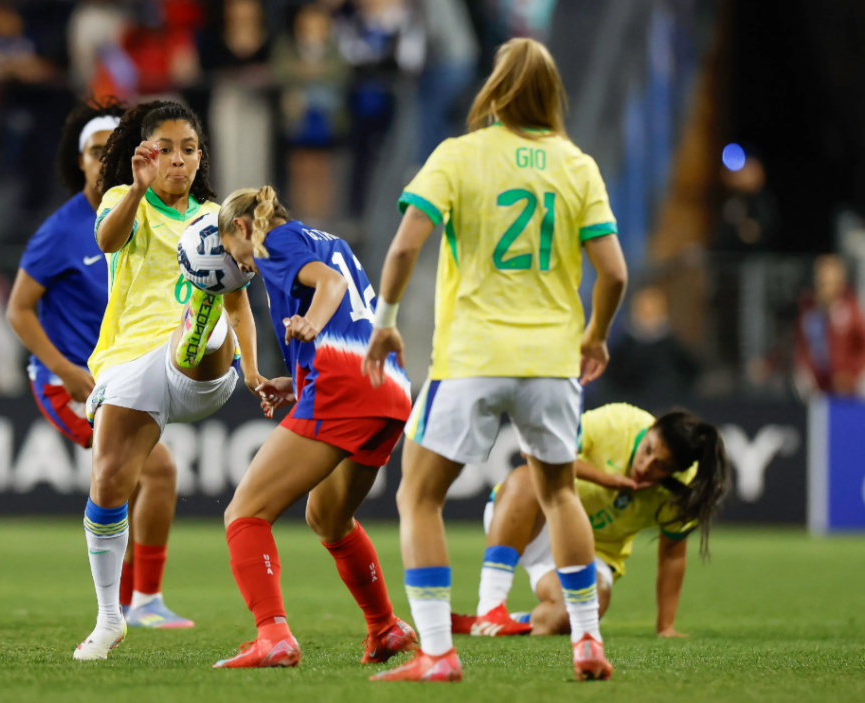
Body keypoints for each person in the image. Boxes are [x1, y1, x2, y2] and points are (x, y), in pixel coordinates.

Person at [363, 38, 629, 682]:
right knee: (559, 493)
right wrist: (594, 335)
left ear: (495, 90)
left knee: (419, 497)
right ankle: (588, 642)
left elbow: (402, 252)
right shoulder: (576, 164)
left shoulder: (458, 156)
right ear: (552, 95)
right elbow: (614, 272)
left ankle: (436, 653)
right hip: (551, 359)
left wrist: (386, 324)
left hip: (472, 356)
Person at [73, 100, 262, 660]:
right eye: (165, 150)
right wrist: (136, 187)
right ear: (146, 154)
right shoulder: (120, 200)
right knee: (108, 482)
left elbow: (242, 307)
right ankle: (112, 618)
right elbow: (108, 241)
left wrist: (252, 372)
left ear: (200, 156)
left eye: (187, 150)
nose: (176, 160)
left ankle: (195, 322)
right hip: (129, 363)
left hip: (195, 362)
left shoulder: (215, 219)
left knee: (205, 319)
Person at [7, 99, 196, 633]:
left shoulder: (156, 217)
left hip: (119, 373)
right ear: (82, 160)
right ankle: (141, 600)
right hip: (70, 381)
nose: (101, 160)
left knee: (144, 474)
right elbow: (18, 309)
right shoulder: (61, 231)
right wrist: (63, 369)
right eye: (94, 151)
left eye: (112, 149)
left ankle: (136, 600)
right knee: (156, 470)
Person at [213, 185, 416, 669]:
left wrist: (308, 322)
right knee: (327, 516)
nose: (237, 264)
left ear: (241, 227)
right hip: (387, 389)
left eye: (229, 250)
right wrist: (295, 381)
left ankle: (273, 637)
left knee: (245, 513)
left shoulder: (272, 241)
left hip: (345, 388)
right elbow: (351, 317)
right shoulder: (328, 239)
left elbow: (331, 288)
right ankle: (386, 627)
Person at [451, 404, 730, 639]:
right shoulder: (620, 421)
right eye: (648, 450)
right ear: (650, 428)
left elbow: (672, 555)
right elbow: (536, 453)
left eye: (663, 466)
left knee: (580, 612)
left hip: (593, 553)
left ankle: (491, 623)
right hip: (534, 521)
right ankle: (491, 605)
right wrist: (606, 479)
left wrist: (665, 627)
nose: (646, 466)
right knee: (527, 479)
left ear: (678, 472)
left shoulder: (682, 490)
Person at [794, 255, 865, 397]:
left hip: (849, 387)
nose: (824, 288)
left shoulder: (851, 311)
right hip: (818, 387)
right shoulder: (810, 313)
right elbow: (802, 348)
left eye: (828, 283)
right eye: (821, 282)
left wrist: (852, 375)